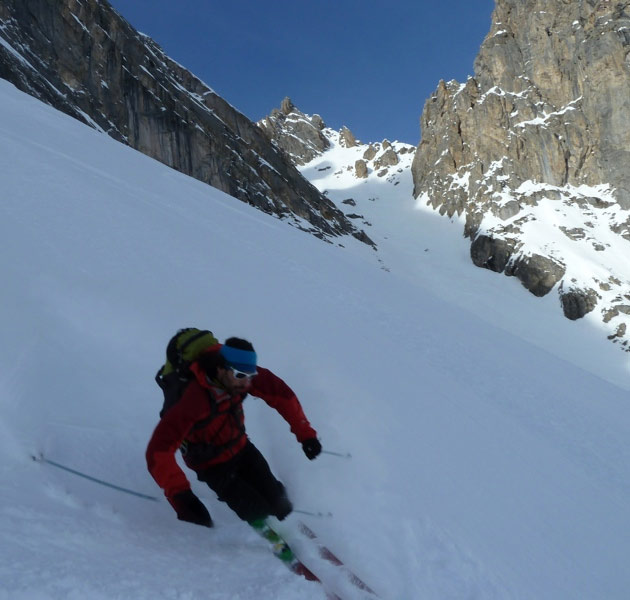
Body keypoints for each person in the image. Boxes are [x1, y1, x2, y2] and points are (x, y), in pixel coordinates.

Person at [146, 336, 322, 527]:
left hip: (241, 448)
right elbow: (157, 451)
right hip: (211, 464)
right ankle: (276, 537)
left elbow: (282, 395)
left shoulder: (241, 376)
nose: (246, 382)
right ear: (221, 369)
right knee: (256, 511)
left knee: (280, 502)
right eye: (240, 375)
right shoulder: (194, 399)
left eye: (251, 375)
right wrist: (181, 496)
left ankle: (290, 525)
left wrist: (306, 435)